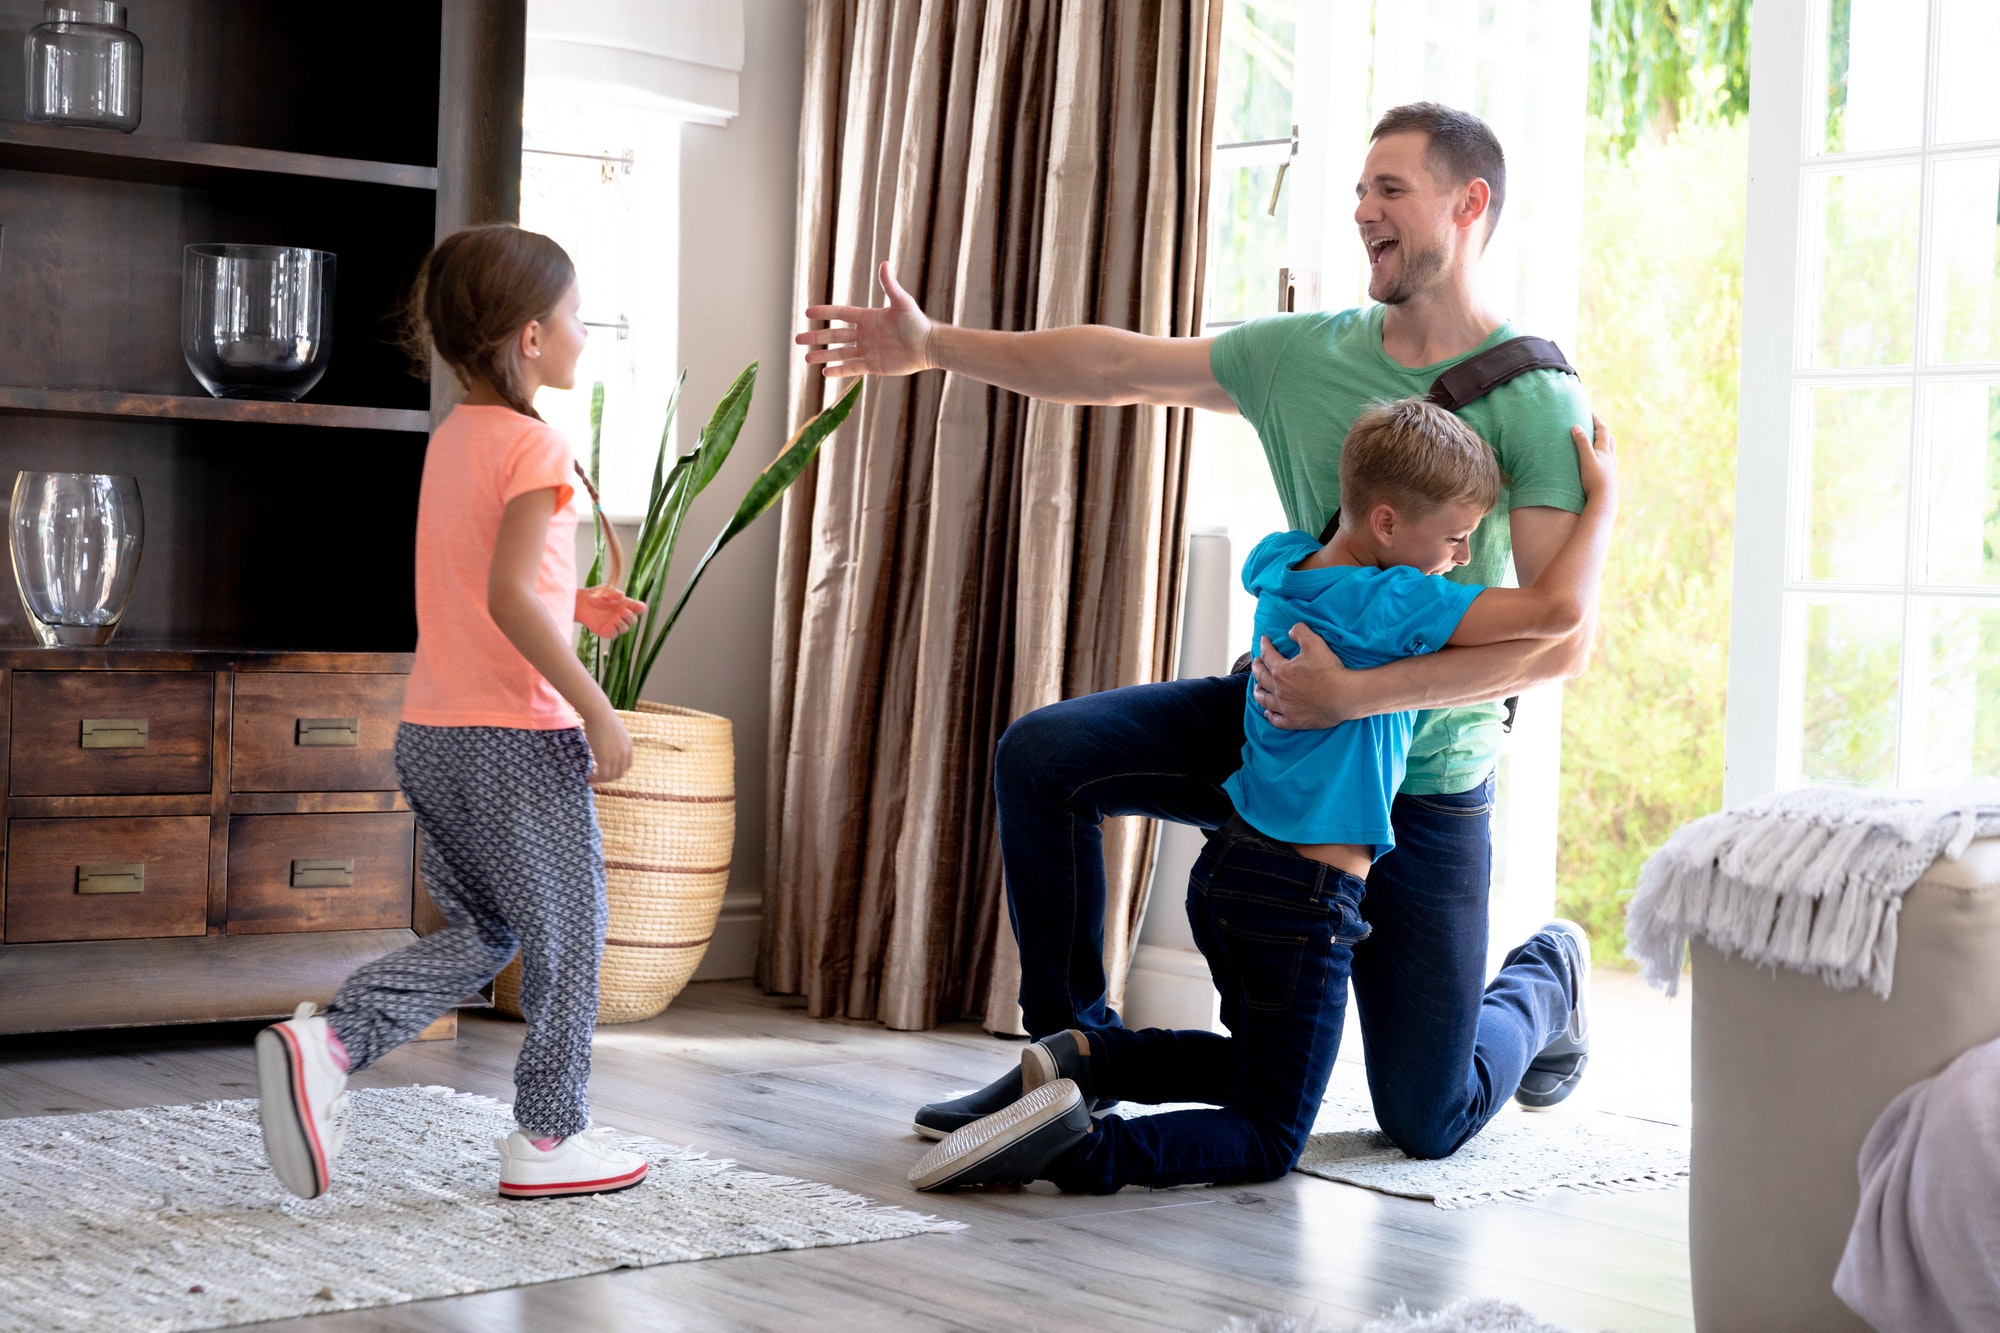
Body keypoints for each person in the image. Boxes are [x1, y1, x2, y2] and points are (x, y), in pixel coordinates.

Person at [798, 102, 1601, 1159]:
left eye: (1389, 190)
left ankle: (1548, 974)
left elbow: (1557, 640)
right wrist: (934, 345)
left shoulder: (1533, 400)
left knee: (1424, 1117)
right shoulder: (1297, 358)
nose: (1361, 209)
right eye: (1359, 189)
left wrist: (1354, 695)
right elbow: (1114, 366)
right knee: (1045, 755)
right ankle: (1070, 1056)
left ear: (1468, 204)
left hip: (1421, 770)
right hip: (1276, 721)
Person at [907, 397, 1615, 1191]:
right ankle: (1078, 1152)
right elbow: (1559, 613)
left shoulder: (1280, 565)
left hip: (1228, 875)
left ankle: (1088, 1053)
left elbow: (1319, 574)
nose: (1461, 555)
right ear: (1386, 523)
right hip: (1305, 904)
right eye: (1455, 538)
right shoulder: (1395, 604)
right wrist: (1605, 502)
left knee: (1257, 1064)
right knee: (1271, 1129)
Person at [252, 225, 654, 1202]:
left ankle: (331, 1040)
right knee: (570, 934)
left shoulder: (455, 439)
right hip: (517, 740)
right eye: (571, 318)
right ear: (527, 337)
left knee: (488, 933)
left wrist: (579, 608)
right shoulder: (537, 445)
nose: (581, 335)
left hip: (433, 734)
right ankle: (549, 1140)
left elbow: (485, 581)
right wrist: (597, 707)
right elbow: (511, 597)